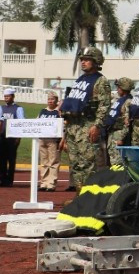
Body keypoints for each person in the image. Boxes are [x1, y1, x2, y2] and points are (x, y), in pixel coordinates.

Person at [59, 47, 112, 192]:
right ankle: (79, 194)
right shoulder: (80, 80)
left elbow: (105, 106)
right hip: (73, 126)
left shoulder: (101, 81)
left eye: (87, 60)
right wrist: (65, 133)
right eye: (82, 59)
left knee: (88, 163)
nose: (83, 62)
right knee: (75, 163)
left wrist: (97, 126)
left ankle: (89, 196)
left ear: (96, 62)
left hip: (87, 125)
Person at [0, 88, 25, 187]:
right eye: (5, 97)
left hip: (12, 137)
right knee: (1, 159)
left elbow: (21, 123)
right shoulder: (1, 108)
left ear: (13, 97)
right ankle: (2, 180)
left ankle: (10, 180)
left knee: (11, 160)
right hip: (2, 137)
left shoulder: (18, 109)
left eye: (8, 96)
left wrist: (18, 138)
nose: (6, 98)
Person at [104, 78, 134, 167]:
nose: (117, 89)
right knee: (112, 159)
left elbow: (127, 122)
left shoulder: (128, 101)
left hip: (119, 133)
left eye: (119, 87)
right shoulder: (119, 100)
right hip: (113, 132)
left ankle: (118, 179)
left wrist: (121, 138)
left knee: (118, 161)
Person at [38, 91, 62, 192]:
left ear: (56, 101)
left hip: (53, 140)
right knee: (44, 162)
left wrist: (62, 140)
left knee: (53, 162)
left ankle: (51, 183)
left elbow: (63, 126)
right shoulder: (43, 111)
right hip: (42, 139)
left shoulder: (58, 112)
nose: (50, 101)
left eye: (52, 99)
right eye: (49, 99)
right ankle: (44, 182)